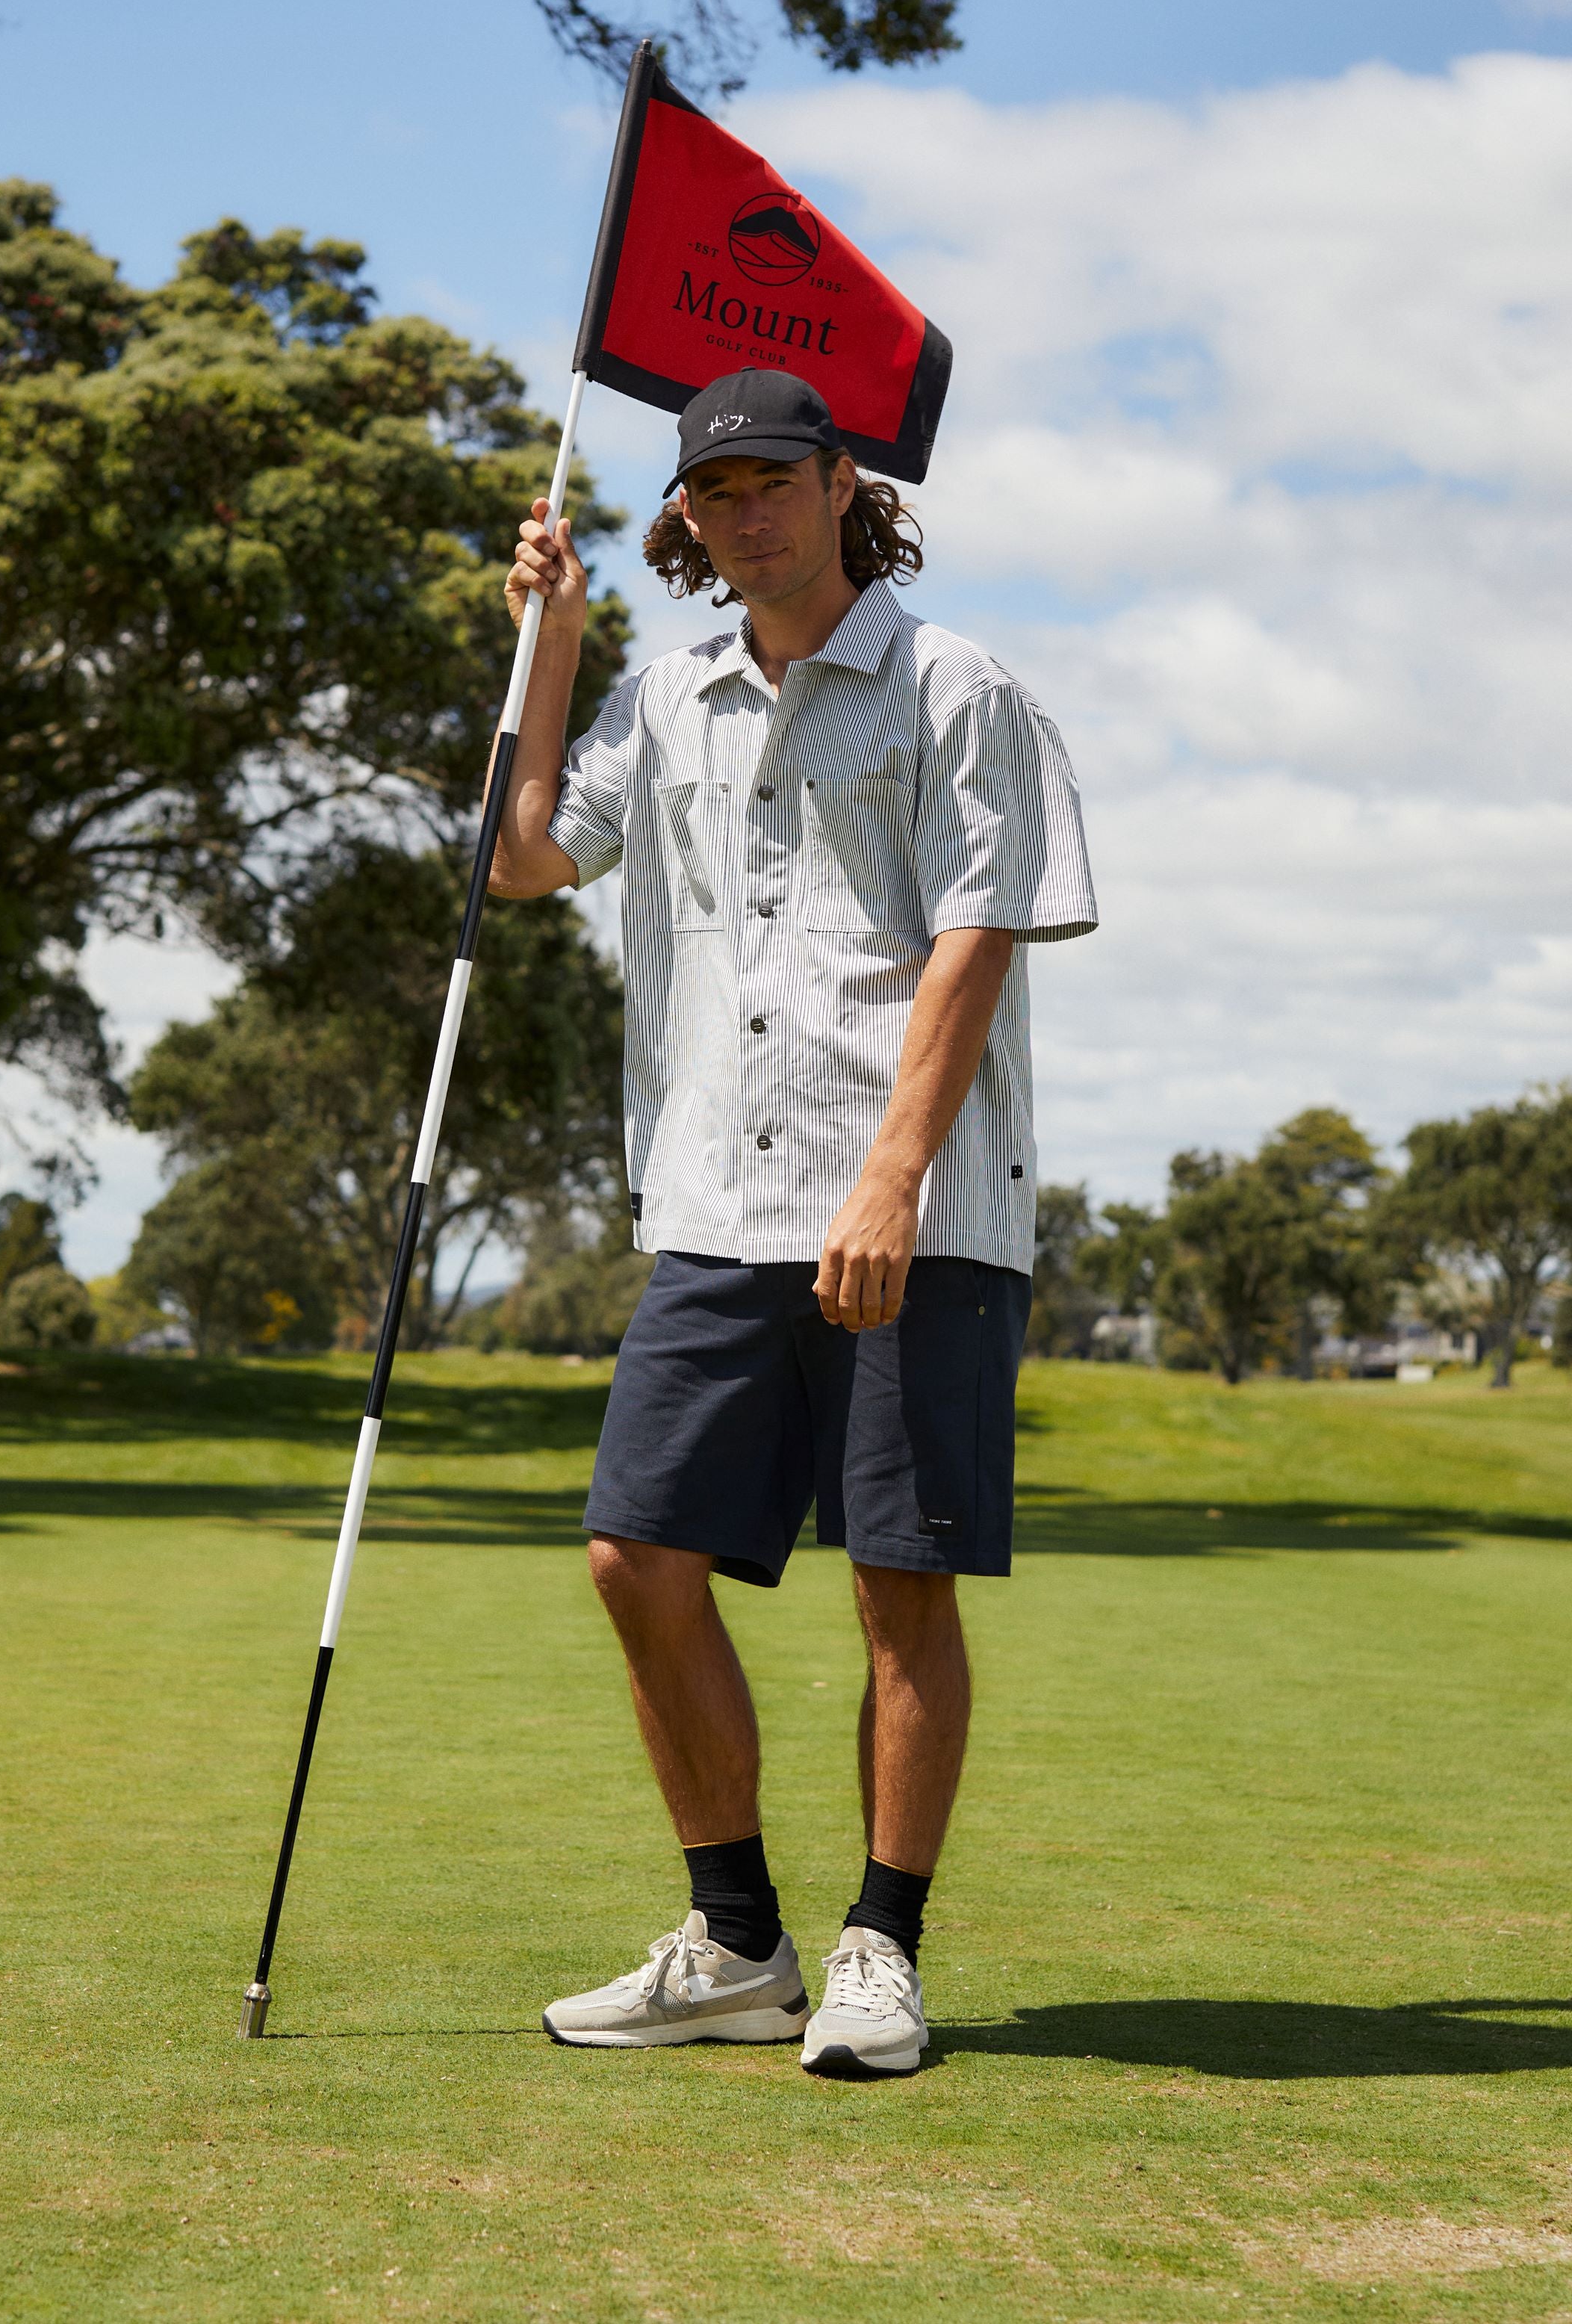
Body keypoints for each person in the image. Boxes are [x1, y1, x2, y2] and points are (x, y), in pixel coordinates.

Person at [490, 367, 1096, 2077]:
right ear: (683, 515)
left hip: (918, 1206)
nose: (740, 511)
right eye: (711, 490)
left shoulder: (953, 686)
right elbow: (531, 858)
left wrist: (894, 1175)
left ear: (844, 484)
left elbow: (981, 933)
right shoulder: (665, 696)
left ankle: (878, 1950)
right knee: (634, 1558)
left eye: (772, 478)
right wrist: (547, 645)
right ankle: (737, 1940)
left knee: (898, 1584)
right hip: (713, 1202)